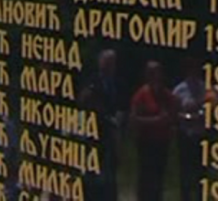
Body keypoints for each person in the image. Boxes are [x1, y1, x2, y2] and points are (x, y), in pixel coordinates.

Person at [131, 60, 177, 201]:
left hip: (162, 141)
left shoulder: (167, 95)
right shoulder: (141, 95)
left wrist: (169, 120)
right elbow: (134, 119)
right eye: (151, 73)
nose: (155, 76)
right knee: (146, 176)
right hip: (146, 141)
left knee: (159, 176)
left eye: (157, 72)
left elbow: (174, 115)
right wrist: (155, 121)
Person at [80, 49, 122, 201]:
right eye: (107, 62)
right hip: (93, 135)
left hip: (109, 134)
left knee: (109, 177)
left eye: (112, 63)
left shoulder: (117, 83)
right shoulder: (92, 82)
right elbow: (84, 101)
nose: (110, 66)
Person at [173, 58, 208, 201]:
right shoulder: (179, 89)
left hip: (201, 135)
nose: (193, 72)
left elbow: (210, 110)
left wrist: (200, 115)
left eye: (196, 69)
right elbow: (174, 112)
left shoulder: (204, 88)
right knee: (185, 170)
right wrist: (186, 116)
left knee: (201, 171)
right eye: (191, 69)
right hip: (185, 134)